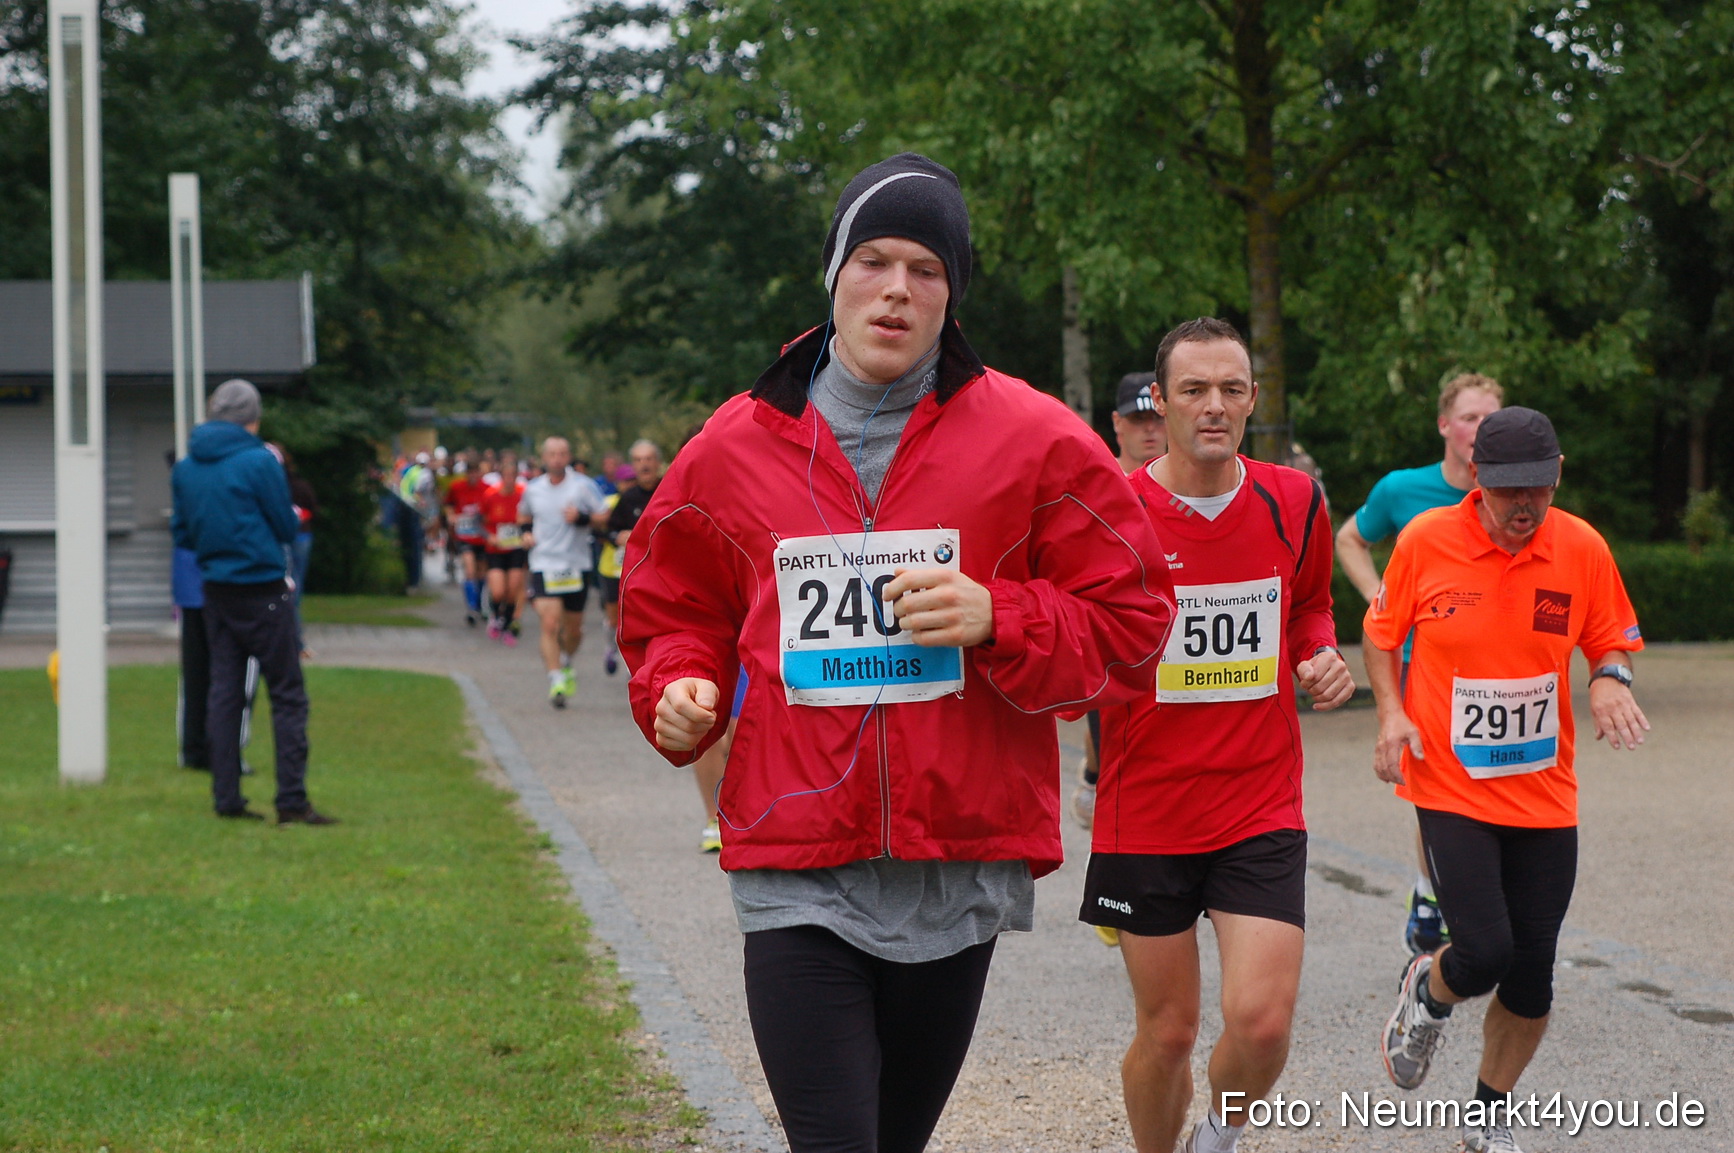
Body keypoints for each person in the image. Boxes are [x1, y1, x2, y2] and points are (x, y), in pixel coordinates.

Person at [618, 152, 1175, 1153]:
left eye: (926, 267)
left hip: (956, 860)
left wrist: (1000, 613)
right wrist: (679, 684)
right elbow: (673, 603)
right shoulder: (735, 444)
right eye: (873, 259)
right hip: (794, 856)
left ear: (951, 293)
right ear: (833, 274)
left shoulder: (1037, 440)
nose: (896, 288)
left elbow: (1135, 626)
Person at [1080, 318, 1353, 1153]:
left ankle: (1220, 1137)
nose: (1214, 406)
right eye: (1193, 389)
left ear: (1253, 400)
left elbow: (1308, 604)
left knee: (1263, 1021)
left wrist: (1318, 653)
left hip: (1258, 799)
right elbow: (1075, 634)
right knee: (1167, 1032)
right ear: (1158, 401)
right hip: (1147, 807)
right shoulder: (1110, 512)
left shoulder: (1294, 499)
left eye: (1231, 389)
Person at [1367, 407, 1648, 1153]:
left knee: (1532, 977)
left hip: (1545, 790)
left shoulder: (1580, 546)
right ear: (1477, 479)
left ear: (1556, 475)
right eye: (1508, 491)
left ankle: (1488, 1117)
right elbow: (1381, 631)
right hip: (1449, 786)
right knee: (1484, 952)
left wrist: (1610, 680)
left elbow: (1610, 637)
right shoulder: (1426, 541)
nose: (1524, 507)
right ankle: (1428, 992)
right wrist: (1392, 713)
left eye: (1538, 489)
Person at [1336, 373, 1504, 954]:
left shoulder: (1516, 492)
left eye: (1492, 418)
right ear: (1444, 426)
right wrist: (1380, 597)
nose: (1480, 430)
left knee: (1491, 774)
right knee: (1437, 783)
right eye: (1470, 418)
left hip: (1495, 665)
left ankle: (1458, 889)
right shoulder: (1404, 491)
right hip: (1420, 661)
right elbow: (1349, 538)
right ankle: (1433, 893)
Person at [170, 379, 336, 826]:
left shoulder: (186, 467)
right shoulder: (258, 460)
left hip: (216, 592)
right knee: (287, 695)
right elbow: (285, 525)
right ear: (252, 416)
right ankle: (291, 802)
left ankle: (227, 798)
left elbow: (183, 533)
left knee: (224, 694)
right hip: (263, 590)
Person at [1073, 369, 1168, 833]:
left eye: (1156, 419)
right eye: (1137, 419)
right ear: (1117, 423)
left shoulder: (1195, 483)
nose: (1149, 429)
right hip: (1112, 634)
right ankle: (1095, 776)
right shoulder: (1097, 483)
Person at [521, 436, 608, 707]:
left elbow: (604, 515)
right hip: (544, 563)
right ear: (544, 458)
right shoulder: (533, 489)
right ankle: (556, 677)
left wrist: (582, 518)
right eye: (552, 454)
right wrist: (525, 534)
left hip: (575, 565)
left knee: (574, 631)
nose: (557, 459)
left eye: (562, 454)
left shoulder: (583, 486)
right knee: (549, 623)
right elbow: (523, 516)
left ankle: (566, 659)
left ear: (568, 456)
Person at [481, 449, 529, 644]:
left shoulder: (523, 496)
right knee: (499, 590)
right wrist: (489, 536)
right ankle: (495, 616)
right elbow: (480, 522)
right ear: (501, 477)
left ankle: (507, 624)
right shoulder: (490, 495)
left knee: (513, 589)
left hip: (516, 549)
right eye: (506, 476)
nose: (510, 479)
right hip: (496, 550)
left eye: (513, 476)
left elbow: (530, 519)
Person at [444, 452, 490, 626]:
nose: (473, 476)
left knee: (481, 573)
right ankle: (471, 608)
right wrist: (452, 516)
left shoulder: (487, 489)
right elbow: (448, 504)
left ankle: (480, 604)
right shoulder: (457, 487)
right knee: (469, 570)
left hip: (482, 537)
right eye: (470, 472)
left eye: (476, 472)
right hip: (465, 536)